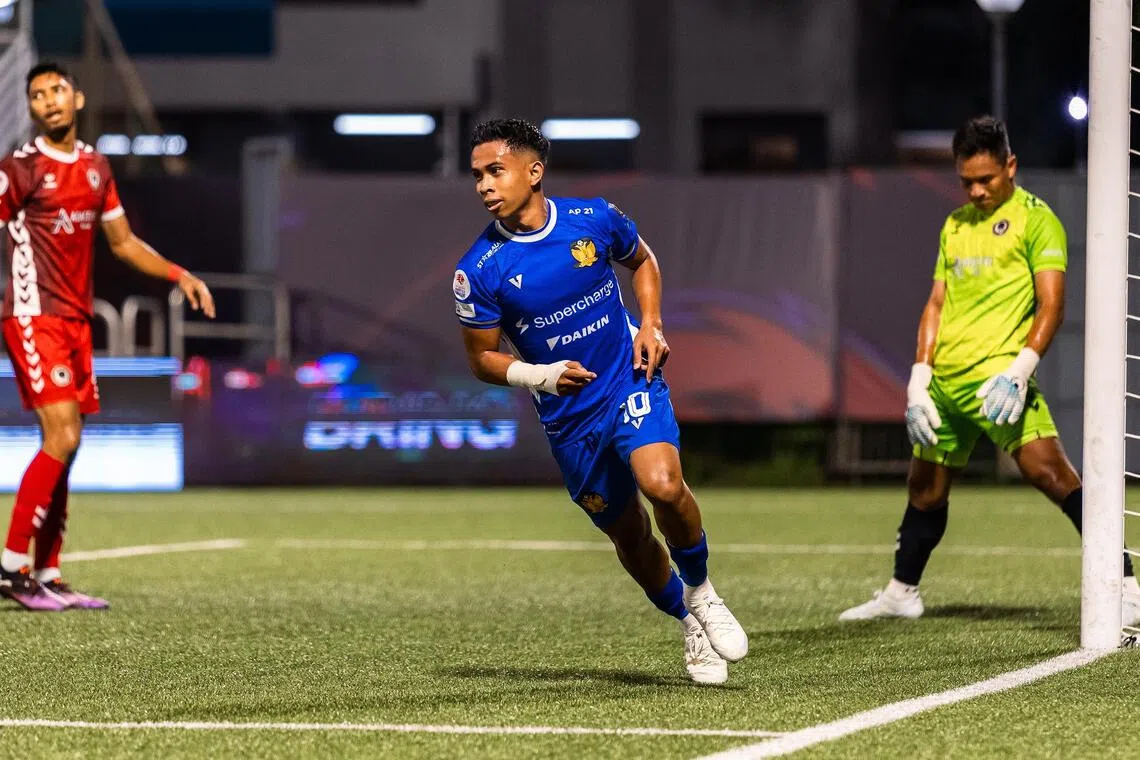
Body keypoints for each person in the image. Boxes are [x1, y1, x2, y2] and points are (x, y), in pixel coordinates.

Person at [453, 119, 747, 684]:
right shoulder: (479, 270)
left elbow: (643, 261)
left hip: (626, 379)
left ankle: (704, 590)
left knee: (662, 484)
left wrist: (652, 325)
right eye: (477, 176)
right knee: (627, 530)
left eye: (495, 171)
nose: (484, 186)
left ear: (534, 171)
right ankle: (686, 620)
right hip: (569, 418)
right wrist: (540, 374)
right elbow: (482, 360)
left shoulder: (593, 219)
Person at [839, 115, 1140, 626]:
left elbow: (1052, 306)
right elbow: (936, 304)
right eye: (967, 181)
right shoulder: (955, 226)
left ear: (1011, 167)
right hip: (947, 385)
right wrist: (918, 379)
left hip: (1003, 384)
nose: (976, 190)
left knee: (1051, 474)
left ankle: (1126, 584)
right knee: (925, 491)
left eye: (987, 179)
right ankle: (901, 593)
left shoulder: (1037, 220)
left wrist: (1020, 372)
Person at [0, 62, 215, 611]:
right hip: (32, 314)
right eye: (37, 94)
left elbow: (122, 243)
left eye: (56, 90)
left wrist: (178, 274)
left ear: (76, 98)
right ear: (31, 109)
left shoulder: (96, 167)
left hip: (74, 322)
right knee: (62, 436)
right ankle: (10, 566)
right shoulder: (21, 169)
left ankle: (47, 572)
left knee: (69, 450)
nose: (48, 100)